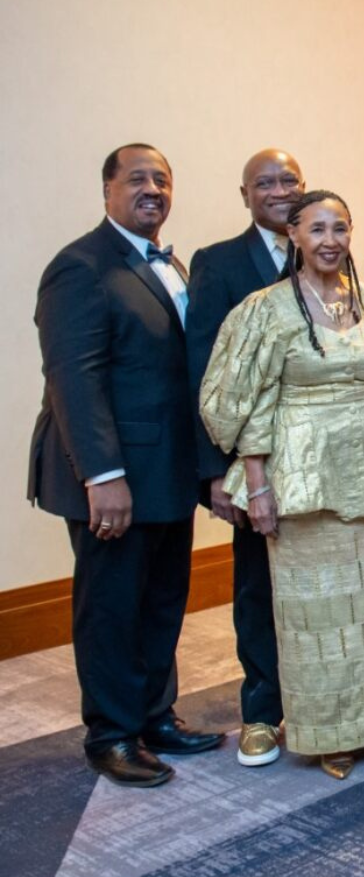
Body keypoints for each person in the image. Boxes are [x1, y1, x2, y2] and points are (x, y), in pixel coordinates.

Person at [200, 189, 364, 780]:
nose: (330, 240)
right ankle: (328, 732)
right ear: (295, 238)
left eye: (340, 227)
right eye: (317, 229)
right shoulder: (266, 309)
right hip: (301, 477)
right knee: (316, 615)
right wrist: (256, 483)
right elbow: (243, 401)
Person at [32, 143, 222, 787]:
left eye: (162, 180)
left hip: (166, 471)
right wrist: (101, 476)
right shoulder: (81, 266)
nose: (152, 189)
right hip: (112, 477)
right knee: (112, 605)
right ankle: (111, 733)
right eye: (137, 178)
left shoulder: (170, 264)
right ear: (107, 190)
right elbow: (73, 379)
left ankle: (154, 715)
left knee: (163, 598)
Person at [186, 148, 305, 768]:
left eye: (289, 180)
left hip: (323, 460)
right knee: (258, 587)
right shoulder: (219, 263)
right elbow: (204, 373)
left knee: (320, 588)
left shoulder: (326, 256)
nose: (279, 190)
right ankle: (262, 710)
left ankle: (322, 702)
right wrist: (215, 473)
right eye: (266, 183)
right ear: (245, 195)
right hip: (253, 464)